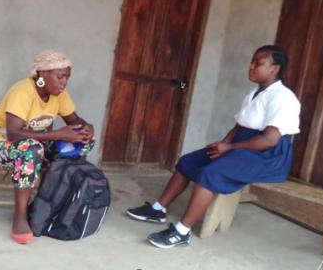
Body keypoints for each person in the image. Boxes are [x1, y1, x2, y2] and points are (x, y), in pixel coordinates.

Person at [126, 45, 301, 248]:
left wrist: (230, 149)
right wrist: (223, 144)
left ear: (275, 69)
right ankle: (157, 210)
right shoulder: (254, 93)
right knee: (189, 161)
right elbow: (238, 127)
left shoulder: (283, 97)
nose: (251, 67)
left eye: (258, 63)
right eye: (252, 62)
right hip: (244, 143)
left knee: (210, 173)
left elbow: (270, 139)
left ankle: (183, 231)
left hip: (268, 155)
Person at [0, 50, 94, 244]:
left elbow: (74, 120)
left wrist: (87, 128)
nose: (64, 82)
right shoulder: (22, 92)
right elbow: (14, 134)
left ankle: (51, 201)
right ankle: (20, 217)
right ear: (42, 74)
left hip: (35, 147)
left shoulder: (59, 94)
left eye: (67, 77)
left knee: (83, 142)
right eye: (60, 77)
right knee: (31, 149)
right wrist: (58, 134)